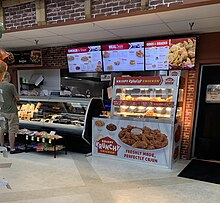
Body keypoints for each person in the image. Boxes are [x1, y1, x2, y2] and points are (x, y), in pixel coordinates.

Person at [0, 72, 21, 154]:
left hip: (2, 111)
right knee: (12, 130)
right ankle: (12, 149)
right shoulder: (11, 86)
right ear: (8, 77)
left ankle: (2, 147)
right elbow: (17, 98)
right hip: (11, 111)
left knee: (1, 129)